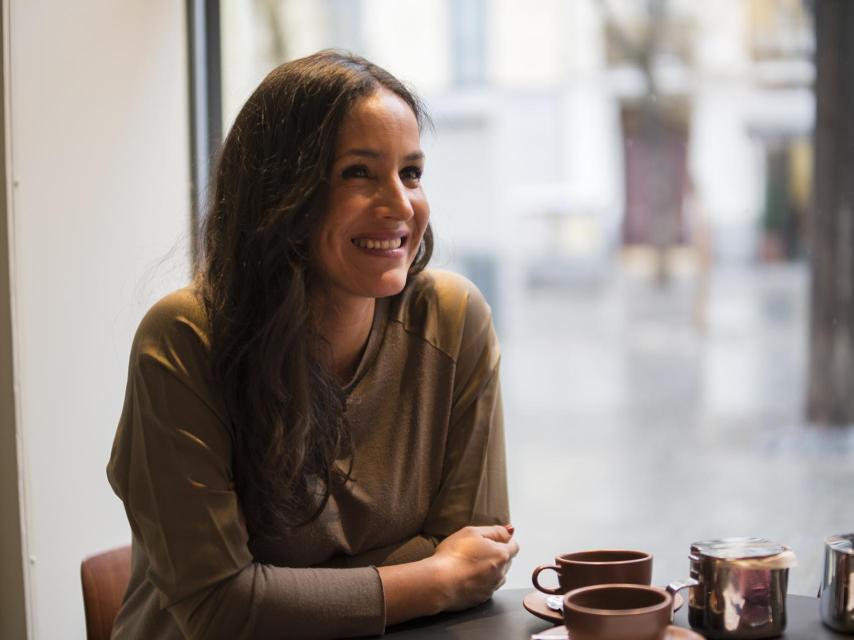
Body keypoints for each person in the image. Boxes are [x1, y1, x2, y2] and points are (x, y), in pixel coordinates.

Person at [107, 50, 517, 639]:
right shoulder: (182, 341)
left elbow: (477, 558)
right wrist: (430, 575)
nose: (401, 205)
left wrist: (279, 591)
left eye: (411, 172)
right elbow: (219, 608)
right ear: (282, 193)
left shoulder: (453, 320)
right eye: (359, 173)